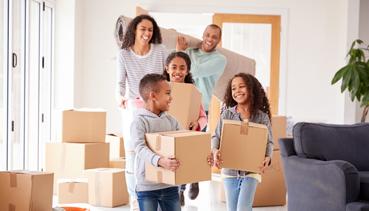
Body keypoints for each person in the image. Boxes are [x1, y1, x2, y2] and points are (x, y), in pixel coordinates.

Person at [116, 14, 167, 210]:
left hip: (156, 107)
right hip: (133, 108)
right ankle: (135, 200)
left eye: (150, 30)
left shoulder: (160, 50)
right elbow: (120, 84)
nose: (147, 33)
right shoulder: (124, 54)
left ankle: (157, 196)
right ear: (134, 31)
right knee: (133, 156)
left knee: (156, 151)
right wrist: (119, 97)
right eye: (143, 29)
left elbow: (168, 75)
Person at [211, 73, 274, 211]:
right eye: (233, 88)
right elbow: (216, 137)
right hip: (229, 172)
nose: (237, 91)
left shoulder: (262, 117)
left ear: (251, 89)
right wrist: (215, 151)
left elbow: (269, 142)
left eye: (241, 86)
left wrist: (268, 157)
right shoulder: (226, 114)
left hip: (252, 171)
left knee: (243, 208)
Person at [131, 73, 181, 211]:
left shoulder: (172, 121)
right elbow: (139, 148)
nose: (171, 98)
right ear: (153, 96)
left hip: (170, 185)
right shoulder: (139, 121)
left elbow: (183, 143)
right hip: (147, 187)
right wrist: (160, 161)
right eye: (167, 93)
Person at [162, 51, 207, 206]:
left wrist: (197, 124)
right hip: (168, 134)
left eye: (182, 68)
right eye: (174, 67)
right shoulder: (160, 90)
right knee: (173, 163)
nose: (178, 72)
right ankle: (179, 190)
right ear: (166, 68)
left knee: (185, 161)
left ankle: (187, 185)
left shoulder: (192, 91)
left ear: (187, 71)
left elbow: (203, 117)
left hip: (187, 135)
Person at [176, 24, 227, 115]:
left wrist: (181, 52)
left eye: (214, 37)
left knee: (195, 130)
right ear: (203, 36)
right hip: (181, 102)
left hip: (201, 108)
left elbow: (195, 71)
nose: (210, 39)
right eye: (207, 35)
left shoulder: (220, 59)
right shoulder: (189, 51)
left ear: (219, 40)